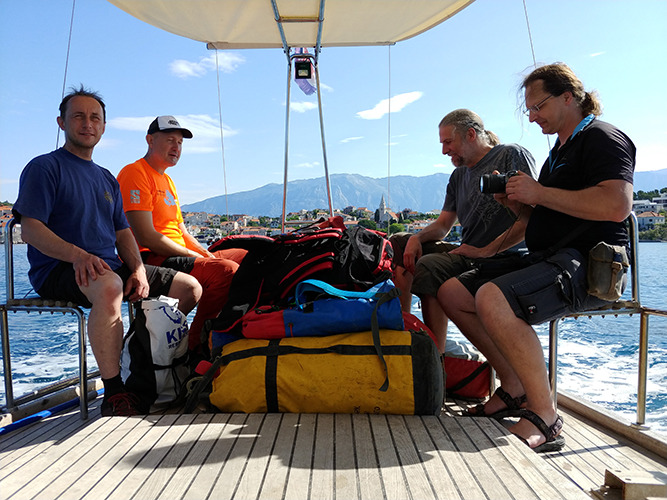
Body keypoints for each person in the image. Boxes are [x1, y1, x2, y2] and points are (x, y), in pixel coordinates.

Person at [438, 63, 635, 452]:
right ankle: (513, 386)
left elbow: (617, 205)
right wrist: (517, 203)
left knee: (493, 296)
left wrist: (540, 193)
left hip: (589, 264)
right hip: (550, 256)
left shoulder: (603, 138)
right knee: (453, 293)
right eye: (529, 109)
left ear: (568, 97)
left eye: (537, 105)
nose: (531, 115)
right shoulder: (559, 152)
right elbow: (540, 220)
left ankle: (546, 416)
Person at [12, 87, 202, 417]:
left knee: (189, 287)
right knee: (111, 287)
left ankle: (139, 363)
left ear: (103, 126)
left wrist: (139, 269)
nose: (88, 124)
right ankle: (115, 393)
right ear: (61, 122)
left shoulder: (105, 178)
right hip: (59, 269)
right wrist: (78, 256)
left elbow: (123, 232)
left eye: (95, 118)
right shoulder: (44, 168)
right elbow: (30, 229)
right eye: (79, 116)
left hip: (108, 265)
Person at [390, 109, 535, 353]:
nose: (444, 151)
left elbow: (529, 219)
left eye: (448, 142)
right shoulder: (458, 176)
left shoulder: (510, 155)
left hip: (505, 255)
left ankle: (435, 357)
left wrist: (485, 251)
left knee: (429, 267)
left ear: (470, 134)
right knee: (397, 244)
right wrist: (416, 237)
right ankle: (402, 338)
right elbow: (444, 226)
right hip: (469, 252)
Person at [117, 116, 246, 357]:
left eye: (179, 142)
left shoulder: (168, 181)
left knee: (249, 256)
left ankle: (236, 332)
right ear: (150, 140)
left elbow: (182, 231)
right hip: (151, 258)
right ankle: (198, 346)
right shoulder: (134, 173)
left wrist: (204, 254)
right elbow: (146, 236)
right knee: (225, 271)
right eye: (170, 140)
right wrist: (196, 257)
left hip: (177, 254)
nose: (176, 147)